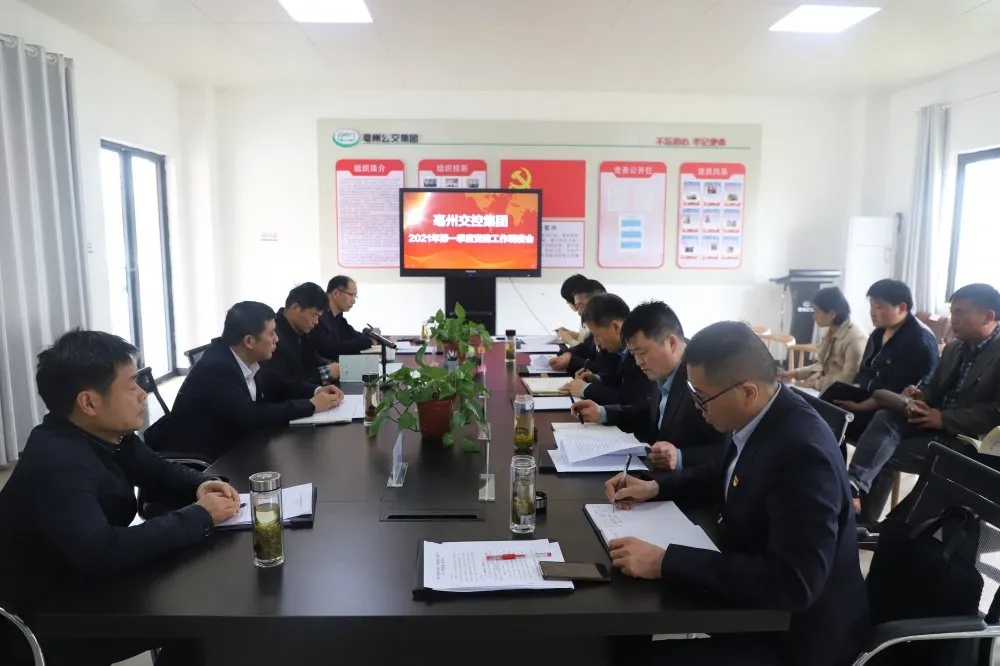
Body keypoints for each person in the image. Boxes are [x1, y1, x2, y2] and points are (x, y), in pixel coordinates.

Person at [604, 321, 868, 666]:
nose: (696, 406)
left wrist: (665, 562)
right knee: (621, 638)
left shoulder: (802, 454)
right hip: (753, 607)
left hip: (793, 638)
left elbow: (793, 583)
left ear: (747, 392)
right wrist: (655, 487)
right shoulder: (758, 416)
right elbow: (721, 474)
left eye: (702, 397)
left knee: (626, 655)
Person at [0, 330, 242, 666]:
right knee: (201, 618)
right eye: (131, 385)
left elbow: (155, 470)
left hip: (89, 582)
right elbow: (102, 550)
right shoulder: (57, 461)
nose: (143, 393)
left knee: (206, 597)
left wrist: (201, 484)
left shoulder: (105, 434)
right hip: (49, 616)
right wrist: (199, 515)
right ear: (88, 403)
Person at [850, 283, 1000, 525]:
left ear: (988, 317)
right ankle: (853, 488)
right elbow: (935, 387)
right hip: (933, 421)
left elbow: (996, 412)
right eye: (952, 312)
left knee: (880, 452)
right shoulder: (954, 348)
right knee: (886, 417)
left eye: (960, 313)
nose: (953, 319)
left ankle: (873, 522)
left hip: (970, 439)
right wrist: (920, 395)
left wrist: (944, 419)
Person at [145, 302, 345, 460]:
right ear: (249, 341)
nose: (277, 339)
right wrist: (310, 406)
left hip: (240, 446)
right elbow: (251, 415)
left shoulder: (247, 358)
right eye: (271, 333)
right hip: (210, 461)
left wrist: (316, 391)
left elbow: (279, 385)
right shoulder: (217, 367)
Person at [571, 301, 726, 471]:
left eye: (642, 353)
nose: (639, 362)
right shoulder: (663, 372)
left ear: (672, 343)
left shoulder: (703, 381)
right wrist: (603, 413)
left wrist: (681, 457)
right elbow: (650, 412)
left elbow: (728, 449)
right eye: (633, 354)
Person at [830, 279, 940, 442]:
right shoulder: (879, 333)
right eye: (871, 306)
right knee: (825, 409)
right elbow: (864, 371)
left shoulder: (919, 342)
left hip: (891, 411)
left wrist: (859, 407)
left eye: (879, 307)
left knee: (833, 420)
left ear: (902, 308)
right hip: (867, 398)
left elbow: (900, 395)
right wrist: (853, 390)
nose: (872, 312)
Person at [560, 293, 651, 406]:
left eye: (597, 336)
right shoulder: (618, 349)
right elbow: (616, 378)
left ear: (616, 327)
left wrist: (586, 389)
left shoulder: (641, 354)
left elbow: (631, 400)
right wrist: (596, 379)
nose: (596, 342)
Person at [777, 286, 867, 392]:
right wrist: (794, 374)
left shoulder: (855, 339)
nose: (813, 316)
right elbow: (822, 365)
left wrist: (815, 384)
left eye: (816, 311)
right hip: (823, 388)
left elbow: (847, 380)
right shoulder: (829, 331)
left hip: (838, 394)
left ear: (832, 314)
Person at [259, 282, 340, 394]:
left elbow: (313, 362)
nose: (316, 322)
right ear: (296, 307)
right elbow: (281, 384)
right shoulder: (274, 337)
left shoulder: (301, 332)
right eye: (314, 315)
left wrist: (333, 367)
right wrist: (324, 373)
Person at [549, 278, 610, 373]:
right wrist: (567, 354)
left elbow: (606, 369)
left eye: (581, 305)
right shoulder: (594, 324)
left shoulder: (609, 327)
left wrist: (571, 358)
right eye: (577, 306)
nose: (579, 312)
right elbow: (586, 347)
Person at [309, 275, 373, 360]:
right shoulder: (317, 316)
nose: (353, 301)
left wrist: (367, 340)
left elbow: (361, 339)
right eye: (351, 295)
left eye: (355, 296)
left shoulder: (339, 318)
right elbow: (329, 348)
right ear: (336, 293)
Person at [554, 273, 588, 346]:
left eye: (568, 301)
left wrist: (570, 340)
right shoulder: (585, 315)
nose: (567, 303)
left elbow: (587, 350)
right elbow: (584, 339)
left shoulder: (593, 318)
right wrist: (569, 333)